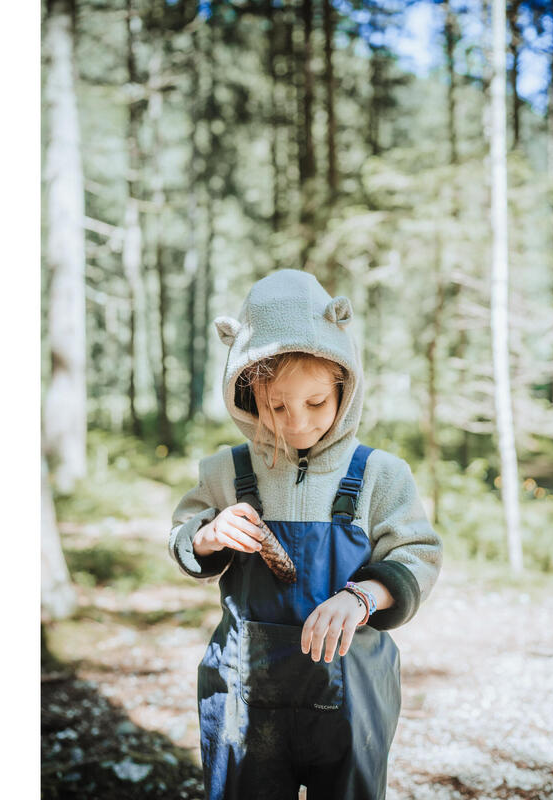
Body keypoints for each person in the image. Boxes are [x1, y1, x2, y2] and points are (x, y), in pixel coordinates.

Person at [169, 269, 442, 800]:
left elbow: (417, 554)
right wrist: (207, 535)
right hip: (243, 695)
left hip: (352, 696)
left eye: (316, 403)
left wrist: (365, 596)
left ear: (345, 384)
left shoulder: (381, 475)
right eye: (277, 406)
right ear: (248, 397)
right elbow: (185, 533)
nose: (296, 423)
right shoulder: (226, 470)